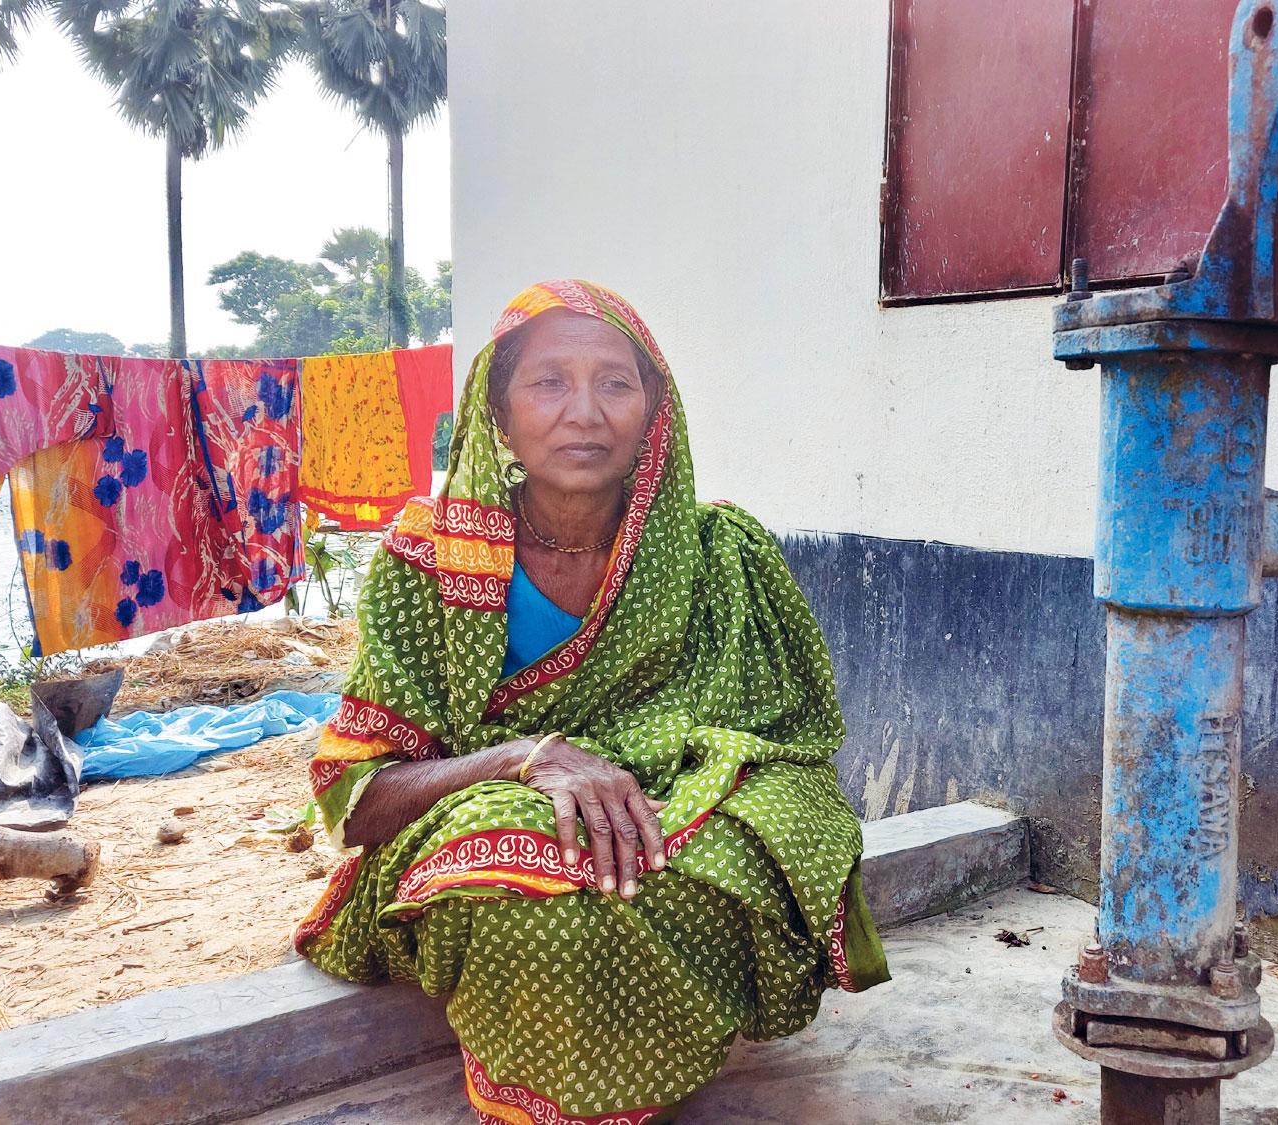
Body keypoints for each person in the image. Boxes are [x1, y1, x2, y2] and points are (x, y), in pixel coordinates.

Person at [294, 279, 889, 1124]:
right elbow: (357, 799)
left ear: (653, 410)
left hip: (680, 794)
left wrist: (668, 787)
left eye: (615, 382)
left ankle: (649, 1066)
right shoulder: (425, 563)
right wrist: (524, 758)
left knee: (750, 833)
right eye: (548, 382)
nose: (585, 411)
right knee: (518, 878)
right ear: (499, 412)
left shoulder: (721, 553)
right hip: (498, 800)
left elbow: (791, 737)